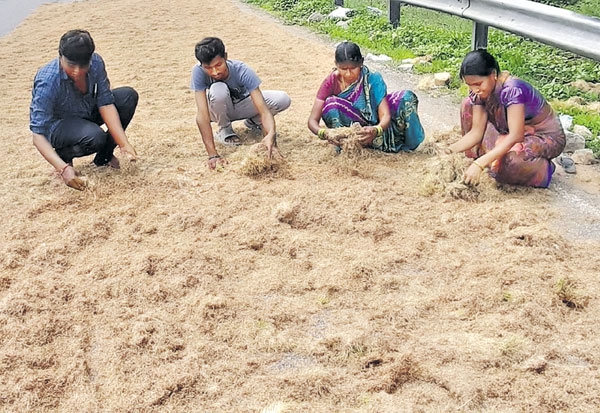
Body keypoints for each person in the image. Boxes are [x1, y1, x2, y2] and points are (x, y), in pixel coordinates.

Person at [30, 29, 139, 190]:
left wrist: (124, 144)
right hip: (59, 126)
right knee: (95, 137)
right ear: (60, 56)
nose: (77, 71)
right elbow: (38, 135)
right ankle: (64, 154)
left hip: (85, 111)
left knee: (127, 96)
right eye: (71, 65)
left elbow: (106, 103)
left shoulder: (96, 62)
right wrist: (63, 169)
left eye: (83, 65)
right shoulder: (47, 81)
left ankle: (103, 158)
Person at [445, 49, 566, 188]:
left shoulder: (512, 90)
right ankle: (479, 158)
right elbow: (476, 132)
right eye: (469, 85)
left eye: (478, 84)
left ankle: (541, 169)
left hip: (541, 135)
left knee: (509, 163)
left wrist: (480, 164)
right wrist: (449, 151)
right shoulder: (478, 92)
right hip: (510, 130)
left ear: (493, 75)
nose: (474, 90)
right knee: (468, 104)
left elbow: (516, 135)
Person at [191, 37, 291, 169]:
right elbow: (202, 115)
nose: (214, 72)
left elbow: (263, 110)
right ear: (201, 65)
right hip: (217, 110)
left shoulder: (242, 70)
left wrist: (271, 139)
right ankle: (224, 129)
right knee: (218, 89)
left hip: (241, 105)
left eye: (218, 65)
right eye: (208, 68)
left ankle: (254, 122)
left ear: (225, 57)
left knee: (282, 98)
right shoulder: (198, 71)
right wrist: (212, 155)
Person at [307, 41, 425, 152]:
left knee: (407, 97)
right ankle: (347, 146)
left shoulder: (372, 79)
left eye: (353, 68)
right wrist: (325, 133)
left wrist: (376, 130)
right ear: (336, 65)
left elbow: (385, 115)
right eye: (343, 69)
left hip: (376, 129)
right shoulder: (331, 82)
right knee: (331, 105)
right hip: (352, 131)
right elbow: (312, 120)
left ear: (361, 62)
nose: (348, 74)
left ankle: (407, 146)